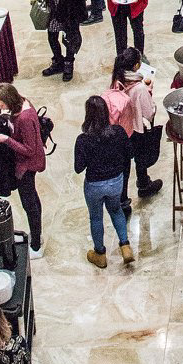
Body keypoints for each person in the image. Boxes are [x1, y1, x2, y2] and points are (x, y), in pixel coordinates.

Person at [74, 95, 135, 269]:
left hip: (94, 185)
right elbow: (130, 154)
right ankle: (125, 246)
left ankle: (100, 254)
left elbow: (78, 168)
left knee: (96, 217)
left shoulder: (83, 140)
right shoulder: (118, 132)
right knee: (116, 210)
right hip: (116, 181)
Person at [0, 84, 47, 257]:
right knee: (32, 200)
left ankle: (36, 245)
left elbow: (30, 149)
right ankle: (36, 234)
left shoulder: (24, 118)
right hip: (26, 163)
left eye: (1, 104)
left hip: (27, 166)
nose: (0, 108)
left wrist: (6, 140)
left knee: (29, 204)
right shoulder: (22, 104)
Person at [102, 50, 162, 206]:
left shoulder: (117, 79)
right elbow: (148, 113)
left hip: (121, 129)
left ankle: (123, 200)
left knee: (124, 167)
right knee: (141, 158)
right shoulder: (140, 88)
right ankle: (144, 185)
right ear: (136, 66)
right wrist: (149, 92)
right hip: (136, 129)